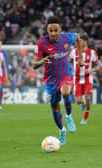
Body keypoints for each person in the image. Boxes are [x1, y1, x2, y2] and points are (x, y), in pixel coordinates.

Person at [32, 16, 82, 145]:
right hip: (51, 80)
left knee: (66, 93)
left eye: (56, 30)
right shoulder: (40, 43)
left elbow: (78, 38)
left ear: (60, 30)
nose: (53, 33)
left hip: (65, 74)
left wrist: (80, 57)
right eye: (50, 30)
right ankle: (62, 130)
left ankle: (69, 116)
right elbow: (33, 64)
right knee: (55, 107)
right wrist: (42, 61)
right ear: (47, 30)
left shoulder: (68, 37)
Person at [70, 33, 99, 124]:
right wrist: (72, 69)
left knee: (87, 97)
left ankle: (85, 118)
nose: (77, 42)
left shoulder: (92, 53)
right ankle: (82, 104)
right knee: (78, 101)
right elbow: (69, 62)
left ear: (85, 42)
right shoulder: (73, 52)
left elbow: (98, 65)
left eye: (80, 40)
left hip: (87, 78)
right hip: (77, 78)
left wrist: (91, 70)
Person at [0, 37, 11, 107]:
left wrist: (7, 74)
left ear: (1, 44)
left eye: (0, 42)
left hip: (1, 73)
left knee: (0, 87)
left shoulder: (4, 52)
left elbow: (7, 63)